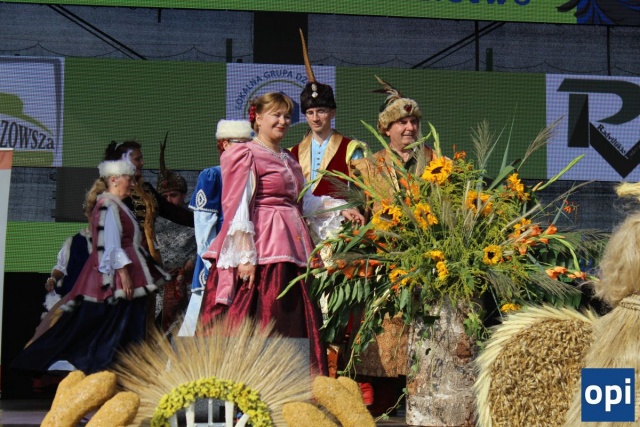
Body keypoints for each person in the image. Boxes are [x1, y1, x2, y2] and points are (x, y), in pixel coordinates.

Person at [199, 93, 364, 376]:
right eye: (275, 115)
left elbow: (302, 199)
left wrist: (339, 207)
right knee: (264, 311)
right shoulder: (245, 153)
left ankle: (287, 381)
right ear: (257, 118)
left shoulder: (287, 156)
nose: (283, 121)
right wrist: (245, 256)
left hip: (291, 244)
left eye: (287, 116)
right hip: (262, 246)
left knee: (290, 314)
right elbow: (238, 204)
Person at [12, 158, 170, 374]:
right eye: (129, 179)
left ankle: (118, 368)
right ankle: (92, 365)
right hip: (119, 279)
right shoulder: (108, 206)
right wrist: (124, 274)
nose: (133, 184)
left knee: (117, 327)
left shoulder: (117, 206)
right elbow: (111, 243)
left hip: (127, 276)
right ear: (114, 180)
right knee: (110, 327)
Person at [350, 76, 435, 414]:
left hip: (428, 271)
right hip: (383, 273)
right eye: (402, 122)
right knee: (383, 353)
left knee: (425, 356)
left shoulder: (436, 163)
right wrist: (353, 213)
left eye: (413, 121)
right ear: (386, 129)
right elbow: (353, 208)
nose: (410, 128)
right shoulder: (367, 167)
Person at [178, 119, 253, 337]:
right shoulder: (212, 175)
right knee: (204, 320)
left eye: (248, 143)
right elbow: (203, 230)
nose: (245, 149)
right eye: (239, 143)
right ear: (225, 144)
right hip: (218, 261)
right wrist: (213, 264)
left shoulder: (253, 175)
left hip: (245, 259)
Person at [290, 30, 366, 199]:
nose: (315, 118)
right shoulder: (292, 153)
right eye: (310, 112)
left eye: (321, 111)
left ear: (333, 113)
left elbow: (361, 194)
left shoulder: (351, 149)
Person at [103, 139, 194, 265]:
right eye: (138, 159)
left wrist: (208, 219)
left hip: (147, 252)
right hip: (123, 255)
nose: (142, 163)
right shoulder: (110, 192)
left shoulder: (146, 189)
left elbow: (172, 212)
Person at [154, 137, 197, 332]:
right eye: (164, 197)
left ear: (183, 194)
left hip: (188, 284)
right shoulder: (152, 220)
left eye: (173, 195)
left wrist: (193, 260)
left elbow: (206, 243)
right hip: (160, 286)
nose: (169, 200)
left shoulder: (194, 217)